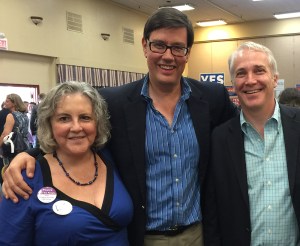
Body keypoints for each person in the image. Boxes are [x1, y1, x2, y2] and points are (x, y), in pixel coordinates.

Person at [2, 8, 237, 246]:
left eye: (178, 47)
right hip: (139, 236)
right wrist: (28, 154)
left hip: (198, 235)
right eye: (159, 45)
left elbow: (240, 132)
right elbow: (79, 133)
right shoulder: (114, 102)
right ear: (145, 46)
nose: (168, 56)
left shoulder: (212, 98)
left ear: (188, 53)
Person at [0, 82, 133, 245]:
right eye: (64, 118)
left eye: (85, 117)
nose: (76, 127)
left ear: (97, 122)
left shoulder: (112, 157)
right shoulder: (26, 178)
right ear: (49, 124)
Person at [203, 41, 300, 245]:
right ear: (233, 83)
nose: (250, 80)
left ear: (274, 79)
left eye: (259, 71)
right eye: (241, 73)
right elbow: (212, 212)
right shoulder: (219, 139)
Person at [0, 94, 29, 166]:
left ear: (14, 103)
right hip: (25, 146)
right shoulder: (25, 115)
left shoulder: (11, 116)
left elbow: (5, 134)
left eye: (7, 101)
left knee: (9, 168)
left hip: (13, 147)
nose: (5, 102)